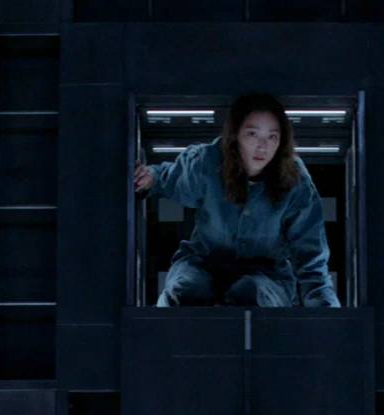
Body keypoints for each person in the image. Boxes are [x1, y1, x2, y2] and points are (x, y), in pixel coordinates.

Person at [133, 93, 341, 308]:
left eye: (272, 137)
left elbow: (311, 259)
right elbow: (167, 178)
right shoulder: (208, 161)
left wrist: (329, 317)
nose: (263, 146)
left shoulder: (295, 181)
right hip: (203, 263)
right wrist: (149, 178)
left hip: (266, 275)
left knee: (250, 294)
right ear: (235, 135)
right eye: (253, 134)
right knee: (186, 290)